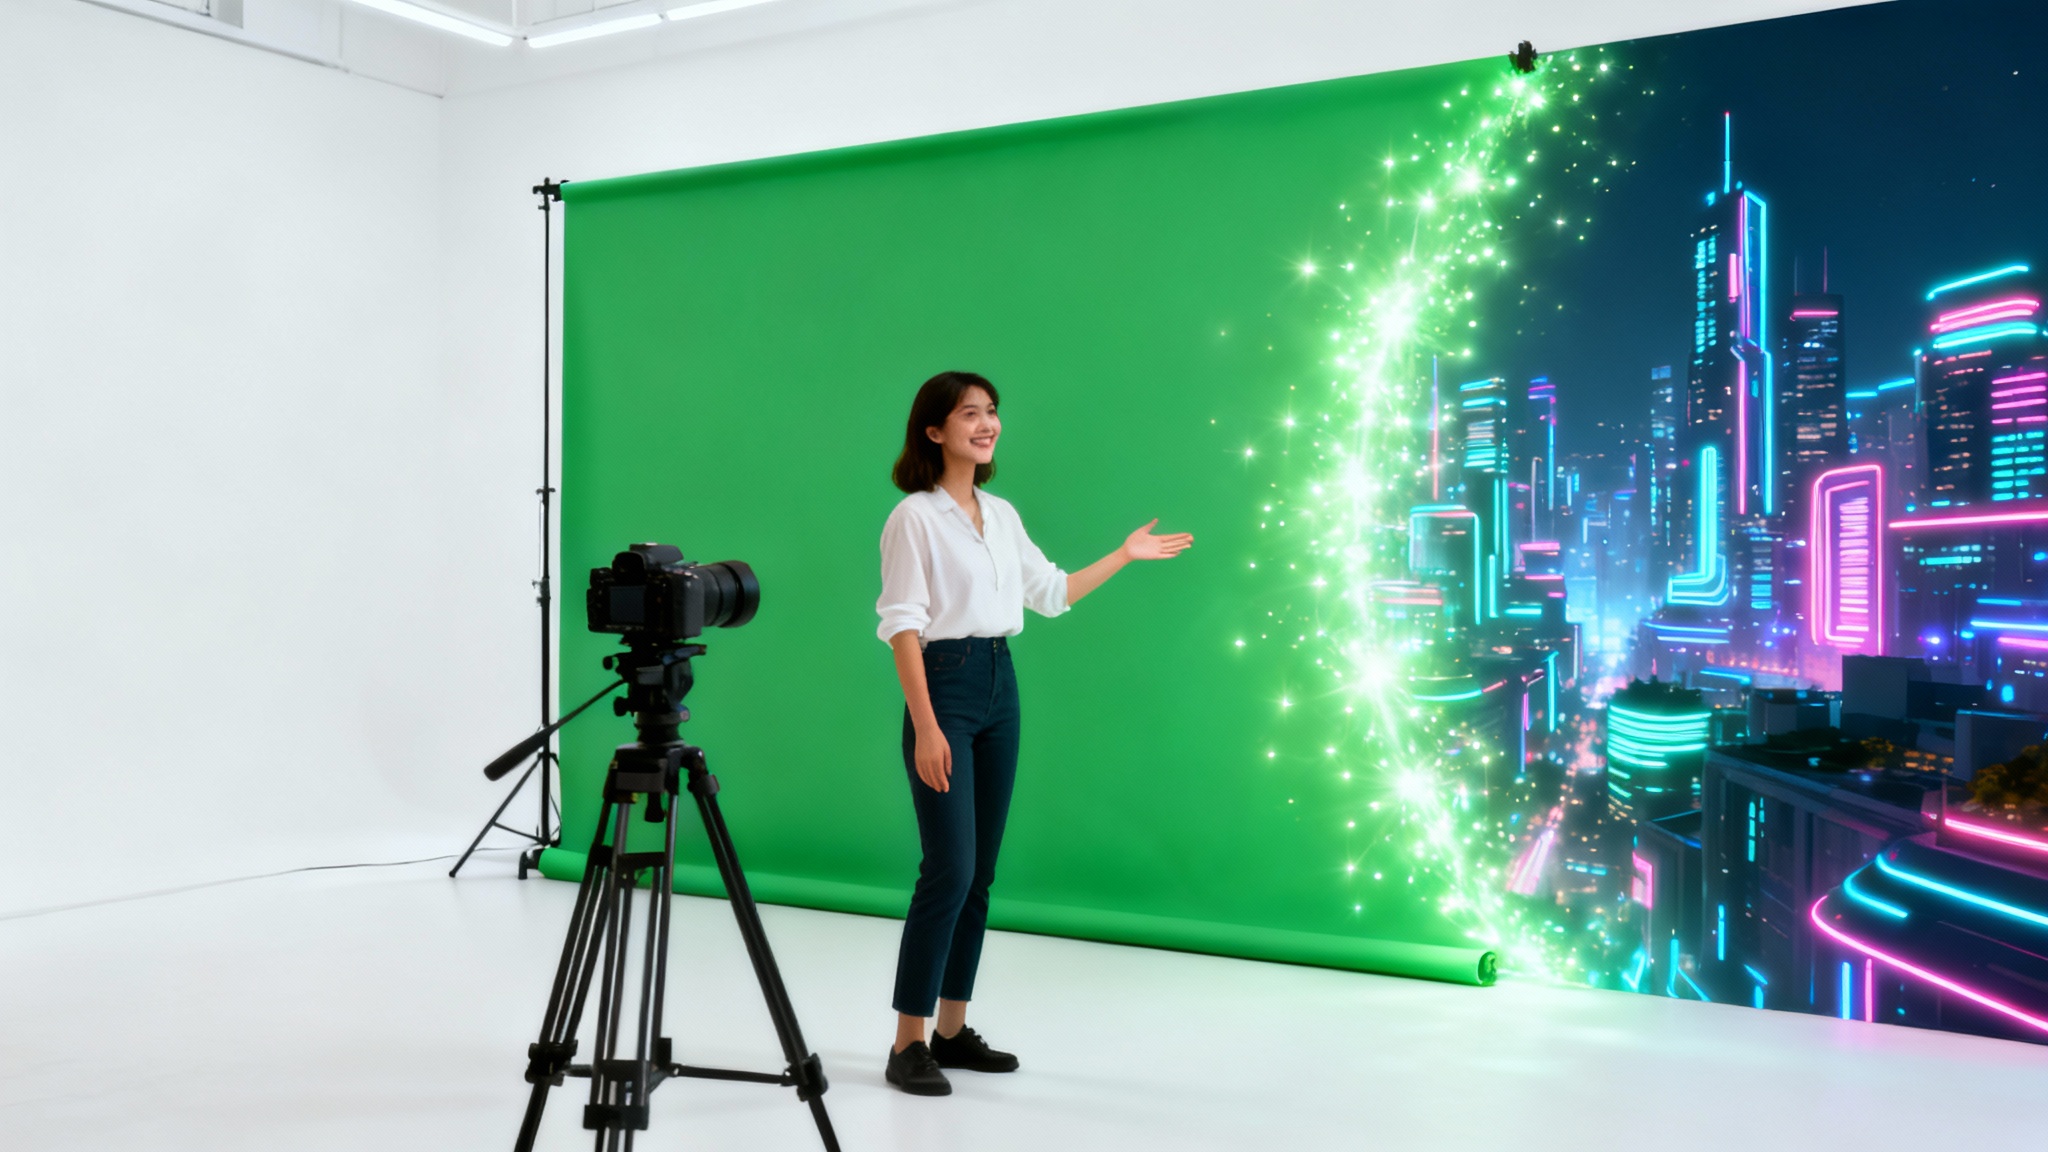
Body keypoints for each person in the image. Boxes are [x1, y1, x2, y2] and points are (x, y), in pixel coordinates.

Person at [875, 370, 1193, 1096]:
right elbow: (902, 626)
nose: (987, 425)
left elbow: (1049, 594)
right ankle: (907, 1043)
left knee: (980, 872)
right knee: (947, 870)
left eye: (992, 413)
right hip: (944, 686)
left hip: (1000, 685)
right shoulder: (914, 518)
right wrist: (926, 727)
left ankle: (951, 1031)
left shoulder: (1002, 512)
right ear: (934, 430)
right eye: (969, 415)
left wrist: (1122, 555)